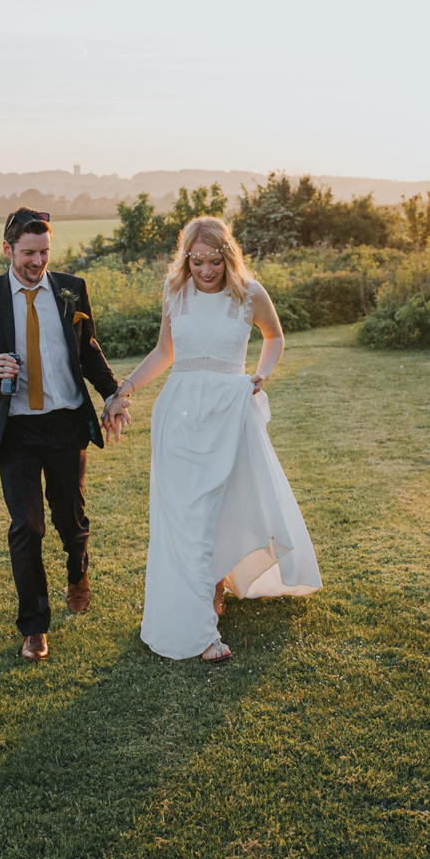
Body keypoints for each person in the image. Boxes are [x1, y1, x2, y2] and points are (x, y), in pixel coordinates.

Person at [112, 216, 321, 662]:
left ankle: (215, 585)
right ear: (186, 258)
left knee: (222, 505)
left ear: (229, 256)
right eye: (198, 260)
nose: (207, 270)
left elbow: (275, 336)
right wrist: (124, 389)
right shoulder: (175, 293)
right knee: (186, 515)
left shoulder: (250, 294)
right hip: (180, 416)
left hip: (229, 412)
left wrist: (261, 374)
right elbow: (165, 352)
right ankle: (201, 623)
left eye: (215, 261)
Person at [0, 208, 131, 662]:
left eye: (45, 252)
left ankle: (78, 571)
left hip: (66, 422)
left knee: (71, 523)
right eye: (29, 253)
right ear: (8, 249)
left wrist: (112, 393)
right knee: (26, 528)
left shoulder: (71, 289)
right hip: (15, 429)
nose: (38, 262)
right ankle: (34, 626)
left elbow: (88, 350)